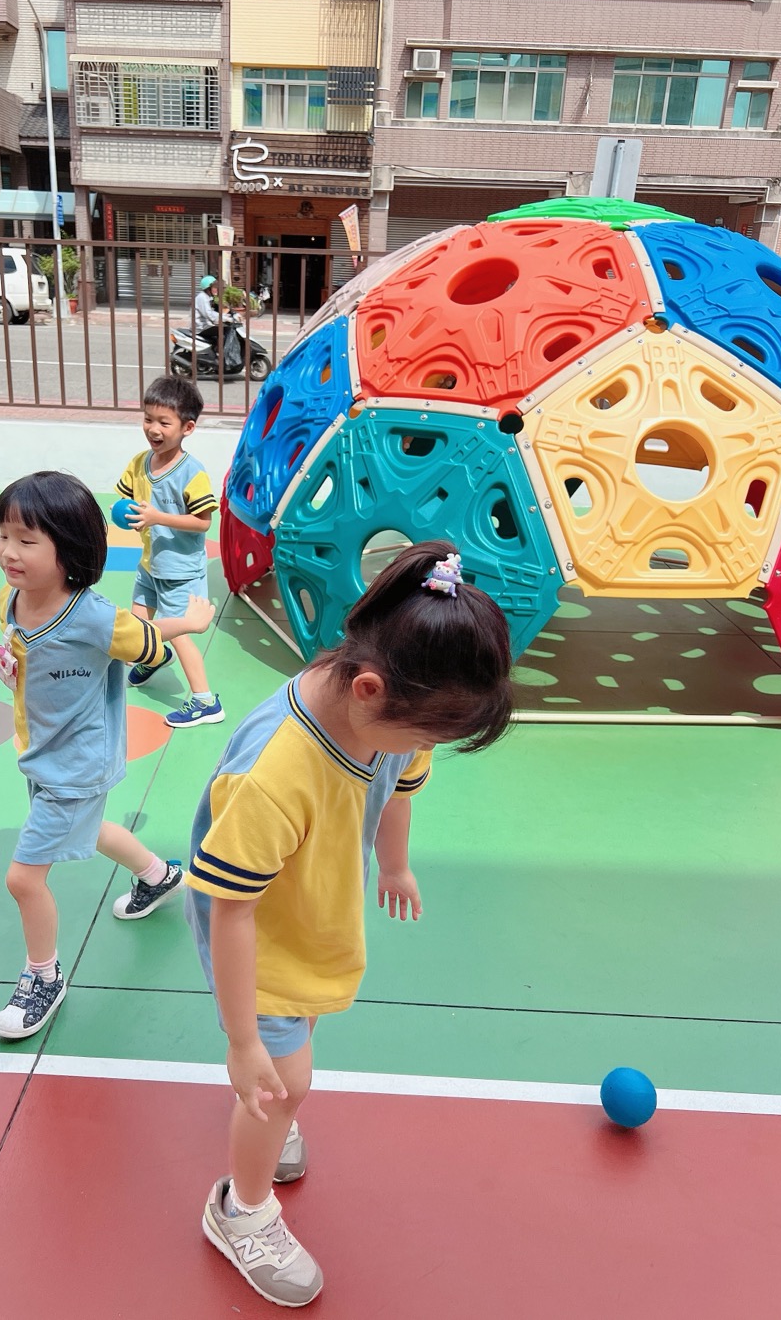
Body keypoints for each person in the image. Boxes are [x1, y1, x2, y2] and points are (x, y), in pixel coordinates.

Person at [183, 542, 514, 1308]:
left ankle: (271, 1111)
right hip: (257, 924)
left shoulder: (390, 711)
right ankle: (240, 1209)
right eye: (426, 734)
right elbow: (231, 909)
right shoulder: (274, 772)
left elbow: (402, 785)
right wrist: (242, 1040)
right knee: (284, 1077)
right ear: (369, 690)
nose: (426, 749)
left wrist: (393, 865)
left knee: (296, 1042)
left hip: (309, 900)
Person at [0, 470, 215, 1040]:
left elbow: (144, 641)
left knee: (23, 879)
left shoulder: (92, 617)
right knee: (88, 831)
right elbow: (23, 652)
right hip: (40, 753)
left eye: (26, 540)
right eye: (3, 535)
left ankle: (44, 976)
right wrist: (11, 667)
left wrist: (187, 623)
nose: (9, 551)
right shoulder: (12, 599)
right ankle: (158, 875)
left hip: (77, 764)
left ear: (69, 551)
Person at [113, 375, 224, 732]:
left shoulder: (192, 473)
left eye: (164, 422)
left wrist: (157, 517)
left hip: (180, 569)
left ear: (187, 427)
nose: (153, 429)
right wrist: (128, 514)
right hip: (150, 563)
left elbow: (203, 523)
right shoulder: (139, 463)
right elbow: (128, 501)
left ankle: (206, 701)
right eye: (148, 419)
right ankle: (155, 658)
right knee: (139, 625)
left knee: (178, 632)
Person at [192, 274, 221, 354]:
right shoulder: (202, 298)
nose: (216, 289)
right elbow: (209, 315)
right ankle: (219, 354)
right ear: (208, 288)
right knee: (222, 333)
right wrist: (222, 319)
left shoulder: (208, 297)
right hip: (200, 327)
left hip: (205, 325)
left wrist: (226, 316)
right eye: (214, 287)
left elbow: (212, 312)